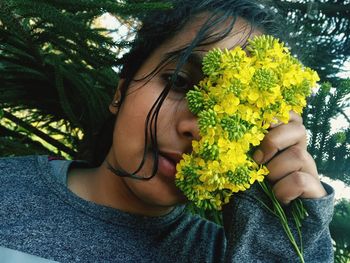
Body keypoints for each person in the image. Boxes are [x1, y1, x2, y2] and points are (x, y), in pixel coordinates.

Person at [0, 0, 334, 262]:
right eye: (178, 82)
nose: (198, 128)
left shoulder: (232, 254)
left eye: (244, 115)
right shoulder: (8, 189)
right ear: (121, 91)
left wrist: (291, 241)